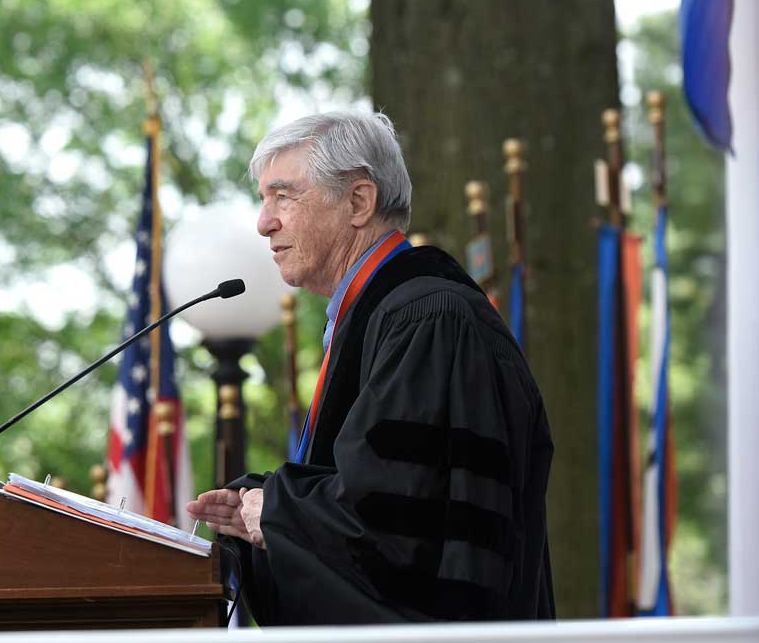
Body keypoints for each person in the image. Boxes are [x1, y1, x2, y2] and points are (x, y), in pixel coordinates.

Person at [186, 112, 555, 624]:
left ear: (358, 202)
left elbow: (397, 524)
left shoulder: (430, 322)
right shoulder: (381, 320)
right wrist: (262, 511)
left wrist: (274, 512)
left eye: (283, 196)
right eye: (263, 199)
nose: (263, 221)